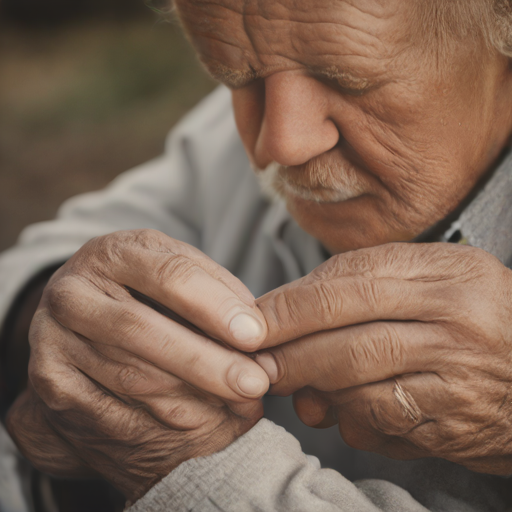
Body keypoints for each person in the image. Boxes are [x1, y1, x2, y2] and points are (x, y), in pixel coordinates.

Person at [3, 0, 512, 510]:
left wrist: (191, 471)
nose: (281, 144)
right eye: (232, 77)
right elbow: (37, 267)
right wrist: (72, 345)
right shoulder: (275, 74)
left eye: (350, 82)